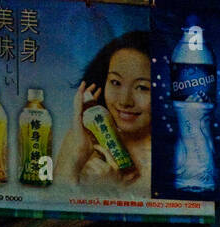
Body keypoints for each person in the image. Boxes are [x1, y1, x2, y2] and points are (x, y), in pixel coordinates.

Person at [55, 31, 151, 192]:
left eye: (142, 87)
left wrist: (111, 191)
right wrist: (77, 156)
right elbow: (52, 204)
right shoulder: (82, 137)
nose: (124, 101)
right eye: (115, 82)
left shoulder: (171, 153)